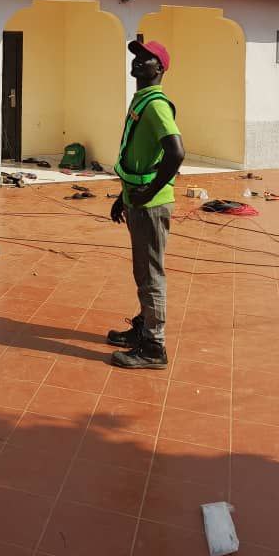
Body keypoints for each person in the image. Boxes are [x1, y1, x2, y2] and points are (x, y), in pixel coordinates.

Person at [108, 40, 185, 369]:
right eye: (137, 57)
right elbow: (140, 156)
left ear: (160, 68)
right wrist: (122, 197)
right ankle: (144, 326)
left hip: (151, 205)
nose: (139, 62)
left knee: (151, 273)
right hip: (138, 200)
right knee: (143, 270)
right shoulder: (142, 100)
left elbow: (176, 152)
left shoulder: (155, 105)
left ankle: (154, 346)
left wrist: (150, 192)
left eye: (147, 59)